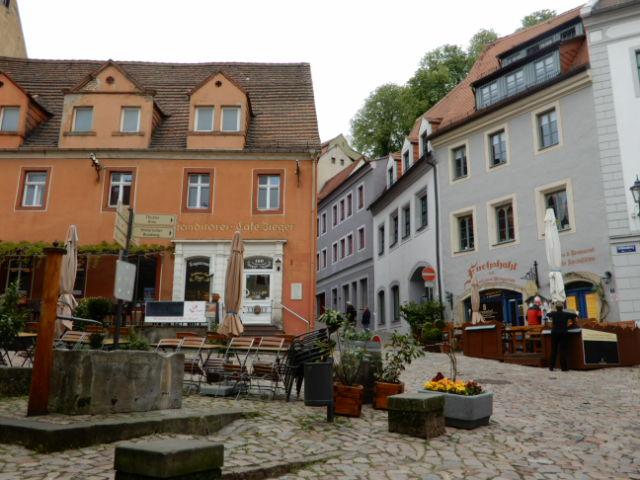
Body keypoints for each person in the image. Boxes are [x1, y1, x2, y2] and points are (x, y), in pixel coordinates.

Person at [547, 300, 578, 372]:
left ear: (556, 308)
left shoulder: (553, 314)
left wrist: (553, 310)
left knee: (553, 350)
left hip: (554, 333)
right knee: (563, 350)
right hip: (563, 333)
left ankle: (551, 367)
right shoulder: (566, 314)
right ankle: (564, 368)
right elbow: (575, 315)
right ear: (562, 308)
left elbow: (547, 314)